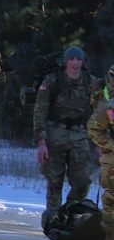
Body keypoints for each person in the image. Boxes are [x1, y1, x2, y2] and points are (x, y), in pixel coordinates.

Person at [32, 46, 99, 225]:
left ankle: (70, 211)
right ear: (66, 61)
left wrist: (103, 140)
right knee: (55, 180)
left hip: (79, 134)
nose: (75, 63)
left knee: (83, 178)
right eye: (72, 59)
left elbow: (102, 108)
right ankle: (53, 219)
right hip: (55, 133)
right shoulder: (53, 81)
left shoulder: (90, 82)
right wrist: (41, 142)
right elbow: (40, 112)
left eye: (79, 60)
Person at [86, 67, 114, 240]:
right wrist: (110, 144)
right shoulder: (109, 107)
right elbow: (93, 128)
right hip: (112, 159)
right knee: (111, 199)